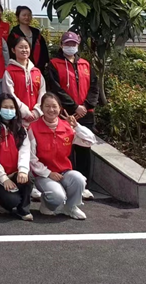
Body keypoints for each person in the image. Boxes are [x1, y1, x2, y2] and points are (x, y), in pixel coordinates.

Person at [45, 31, 99, 199]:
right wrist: (74, 106)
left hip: (85, 114)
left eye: (73, 44)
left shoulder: (86, 64)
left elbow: (94, 87)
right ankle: (68, 185)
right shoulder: (53, 64)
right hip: (65, 114)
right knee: (66, 151)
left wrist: (86, 106)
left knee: (84, 150)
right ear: (61, 45)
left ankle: (84, 186)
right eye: (67, 44)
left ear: (78, 45)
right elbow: (55, 88)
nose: (70, 47)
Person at [29, 92, 96, 219]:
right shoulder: (33, 128)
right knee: (57, 196)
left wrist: (77, 126)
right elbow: (32, 158)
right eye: (47, 106)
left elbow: (90, 141)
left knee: (79, 179)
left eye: (54, 106)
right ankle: (47, 204)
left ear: (60, 108)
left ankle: (71, 207)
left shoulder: (67, 127)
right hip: (43, 175)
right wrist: (49, 173)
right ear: (41, 108)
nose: (51, 110)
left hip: (64, 172)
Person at [0, 93, 33, 221]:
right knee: (12, 200)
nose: (9, 110)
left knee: (29, 178)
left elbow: (25, 151)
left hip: (15, 173)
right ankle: (5, 203)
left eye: (12, 107)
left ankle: (23, 209)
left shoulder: (20, 129)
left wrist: (23, 170)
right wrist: (3, 178)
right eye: (5, 107)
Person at [3, 36, 45, 125]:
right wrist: (25, 112)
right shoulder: (9, 71)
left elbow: (42, 92)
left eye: (26, 47)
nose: (24, 50)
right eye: (21, 47)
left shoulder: (36, 72)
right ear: (13, 50)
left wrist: (37, 111)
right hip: (18, 118)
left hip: (36, 118)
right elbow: (9, 94)